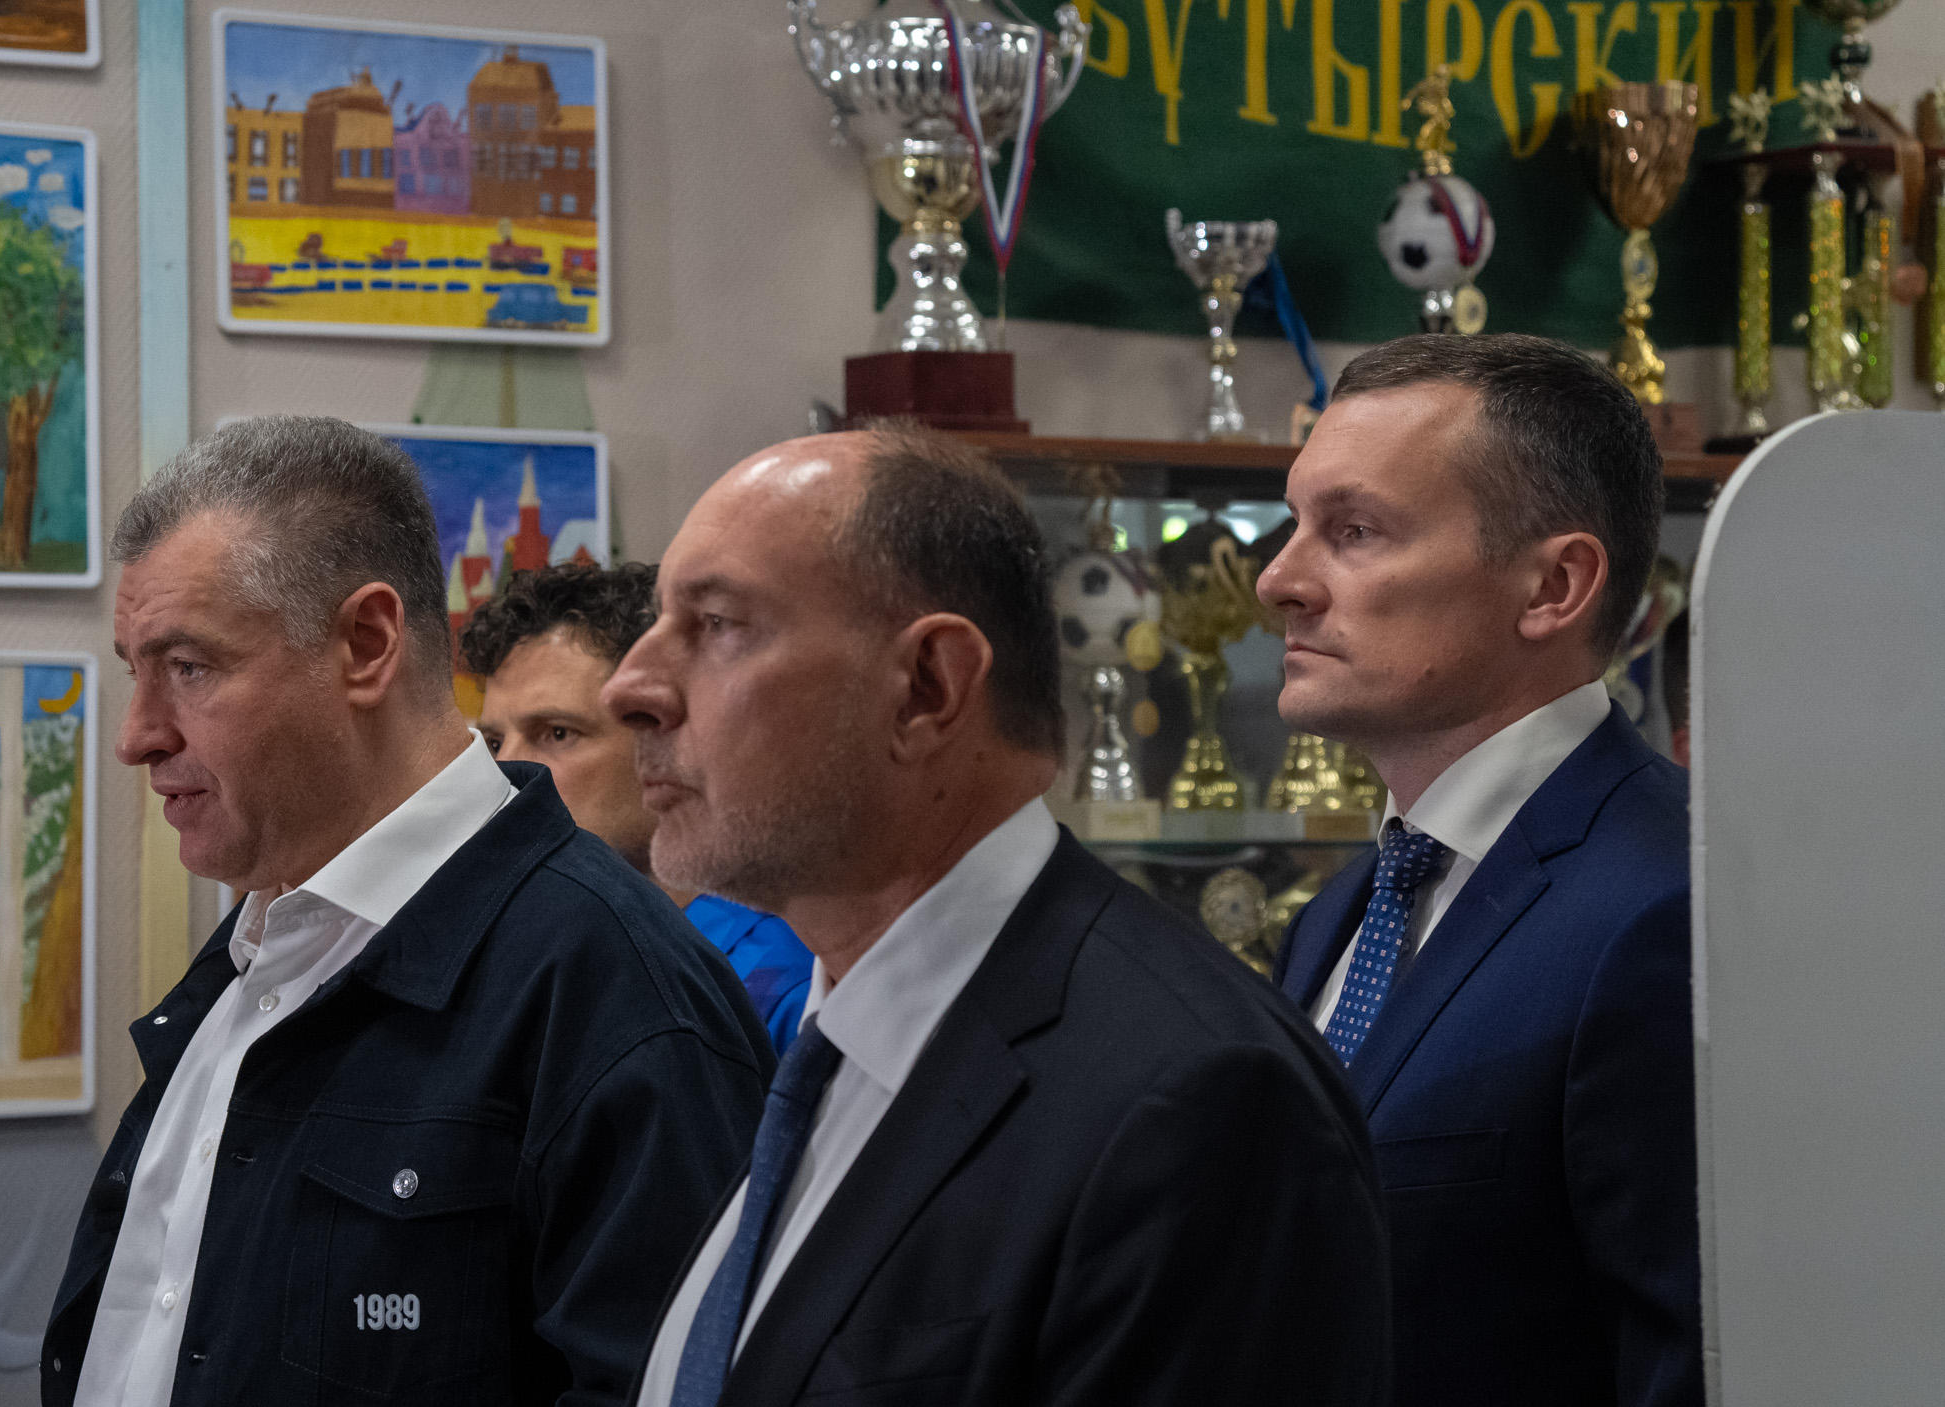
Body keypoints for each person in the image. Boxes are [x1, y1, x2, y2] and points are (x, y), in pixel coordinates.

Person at [605, 424, 1393, 1407]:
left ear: (927, 687)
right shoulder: (832, 1045)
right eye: (659, 622)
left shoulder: (1197, 1102)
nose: (630, 687)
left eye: (718, 624)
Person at [44, 417, 774, 1407]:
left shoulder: (619, 996)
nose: (137, 735)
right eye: (137, 670)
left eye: (190, 667)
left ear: (366, 644)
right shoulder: (258, 951)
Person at [1257, 333, 1698, 1407]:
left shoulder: (1667, 909)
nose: (1279, 580)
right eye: (1295, 523)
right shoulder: (1339, 912)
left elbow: (1691, 1365)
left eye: (1353, 531)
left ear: (1553, 585)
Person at [461, 561, 813, 1051]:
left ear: (665, 737)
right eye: (495, 742)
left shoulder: (781, 992)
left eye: (558, 733)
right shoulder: (515, 964)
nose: (508, 772)